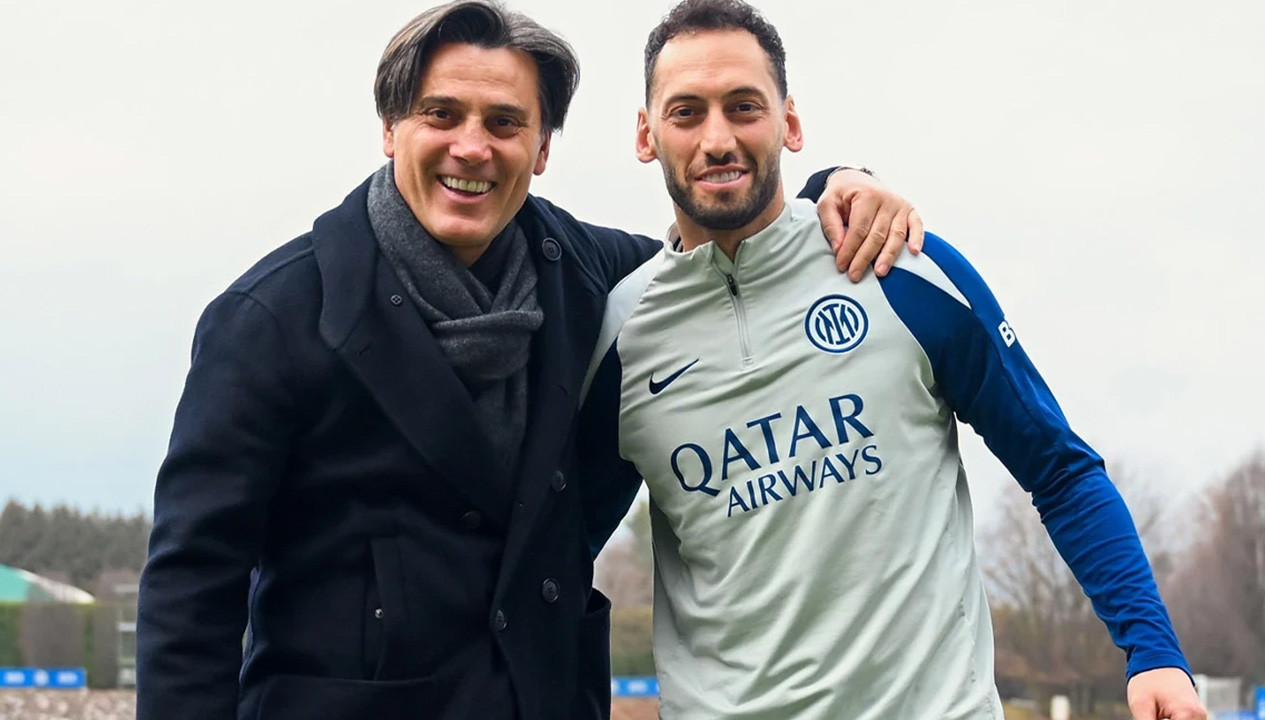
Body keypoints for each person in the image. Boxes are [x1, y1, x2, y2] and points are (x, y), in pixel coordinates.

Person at [134, 1, 921, 719]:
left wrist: (840, 187)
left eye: (505, 123)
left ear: (542, 149)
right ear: (391, 129)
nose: (472, 147)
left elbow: (731, 254)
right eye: (442, 114)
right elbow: (192, 587)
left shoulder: (595, 279)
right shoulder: (270, 319)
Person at [577, 1, 1207, 719]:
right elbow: (555, 565)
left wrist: (1153, 650)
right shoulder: (624, 337)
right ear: (646, 134)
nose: (717, 139)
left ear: (789, 122)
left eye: (744, 107)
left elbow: (1058, 469)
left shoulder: (898, 266)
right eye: (687, 112)